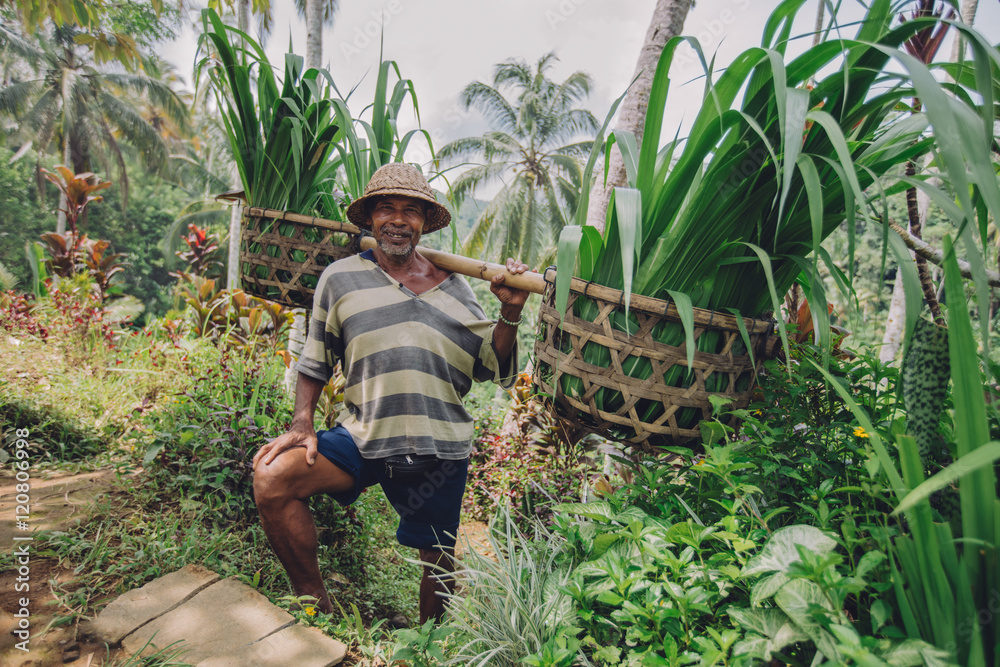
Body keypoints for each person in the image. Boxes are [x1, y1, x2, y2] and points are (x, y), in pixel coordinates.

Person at [252, 162, 528, 624]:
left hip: (438, 447)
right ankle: (315, 606)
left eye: (410, 211)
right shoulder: (341, 279)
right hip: (363, 436)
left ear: (423, 223)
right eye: (386, 209)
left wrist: (511, 313)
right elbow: (315, 359)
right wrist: (302, 423)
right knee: (273, 477)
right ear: (371, 220)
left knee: (437, 561)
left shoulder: (457, 287)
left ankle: (428, 643)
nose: (398, 219)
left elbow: (491, 364)